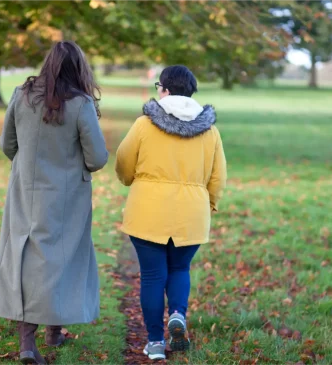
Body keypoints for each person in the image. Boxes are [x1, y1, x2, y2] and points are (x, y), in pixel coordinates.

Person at [0, 41, 108, 365]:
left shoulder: (22, 95)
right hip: (67, 196)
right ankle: (42, 336)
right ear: (79, 69)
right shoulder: (81, 103)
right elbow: (97, 157)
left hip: (24, 191)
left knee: (27, 256)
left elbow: (7, 144)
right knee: (60, 259)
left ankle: (36, 338)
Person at [115, 65, 227, 360]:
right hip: (191, 213)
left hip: (148, 211)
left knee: (152, 276)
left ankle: (154, 342)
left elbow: (124, 161)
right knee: (179, 269)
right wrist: (209, 203)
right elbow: (218, 176)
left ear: (164, 90)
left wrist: (129, 181)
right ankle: (177, 313)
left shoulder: (144, 124)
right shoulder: (210, 130)